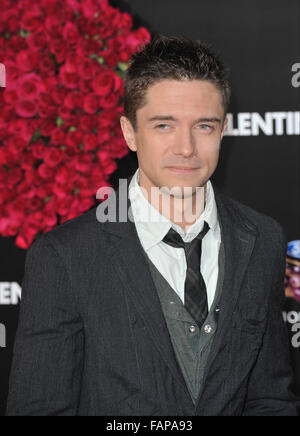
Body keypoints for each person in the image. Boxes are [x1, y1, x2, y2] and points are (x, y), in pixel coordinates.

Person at [6, 35, 298, 416]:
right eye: (164, 125)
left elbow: (271, 398)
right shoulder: (65, 256)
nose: (186, 148)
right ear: (130, 132)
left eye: (204, 126)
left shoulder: (262, 239)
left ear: (223, 130)